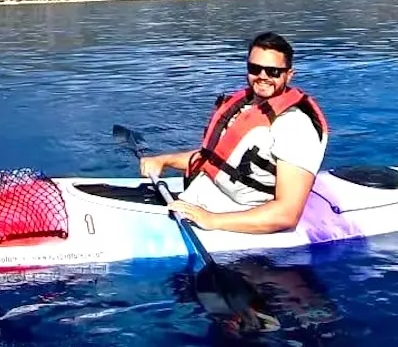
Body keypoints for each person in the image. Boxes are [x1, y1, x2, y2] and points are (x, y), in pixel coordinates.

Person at [138, 31, 328, 235]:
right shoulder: (245, 108)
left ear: (289, 75)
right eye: (255, 68)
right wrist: (165, 160)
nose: (262, 76)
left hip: (232, 220)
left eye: (273, 71)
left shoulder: (296, 127)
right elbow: (216, 158)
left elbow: (286, 215)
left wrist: (211, 220)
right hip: (194, 202)